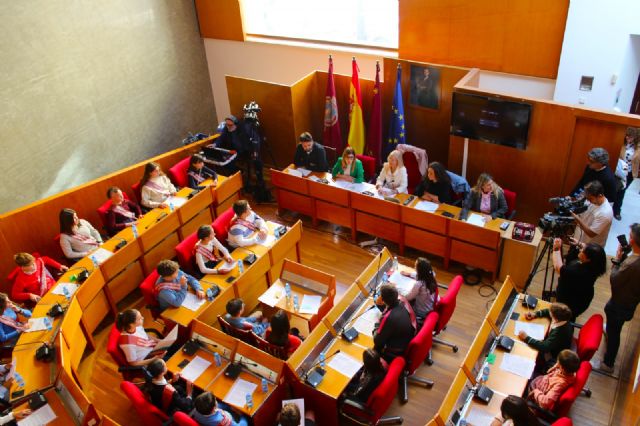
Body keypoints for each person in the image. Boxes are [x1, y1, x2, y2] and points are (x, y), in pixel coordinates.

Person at [600, 223, 640, 373]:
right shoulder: (635, 259)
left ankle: (608, 363)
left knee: (614, 332)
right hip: (630, 301)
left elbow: (615, 279)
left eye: (630, 236)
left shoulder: (632, 264)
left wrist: (617, 261)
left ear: (632, 241)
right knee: (614, 328)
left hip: (620, 304)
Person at [552, 238, 606, 321]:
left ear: (588, 259)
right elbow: (588, 249)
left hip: (569, 304)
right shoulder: (594, 266)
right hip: (579, 298)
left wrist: (556, 248)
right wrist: (579, 243)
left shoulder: (579, 272)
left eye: (582, 250)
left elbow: (558, 267)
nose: (580, 250)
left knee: (563, 320)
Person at [517, 303, 574, 372]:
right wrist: (535, 314)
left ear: (555, 319)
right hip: (552, 344)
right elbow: (548, 311)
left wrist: (526, 338)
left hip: (553, 355)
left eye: (552, 314)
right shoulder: (562, 318)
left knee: (524, 351)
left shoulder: (559, 332)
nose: (550, 313)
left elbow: (545, 347)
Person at [373, 284, 415, 362]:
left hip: (395, 351)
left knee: (374, 348)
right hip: (406, 340)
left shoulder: (388, 318)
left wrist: (377, 323)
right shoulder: (403, 301)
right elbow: (390, 309)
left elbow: (377, 341)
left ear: (382, 299)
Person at [570, 180, 613, 248]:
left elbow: (591, 233)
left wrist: (577, 219)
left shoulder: (606, 213)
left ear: (600, 195)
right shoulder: (590, 200)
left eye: (590, 198)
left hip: (590, 249)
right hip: (578, 241)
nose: (588, 201)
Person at [400, 257, 438, 327]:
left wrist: (399, 293)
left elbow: (408, 298)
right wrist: (409, 274)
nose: (414, 268)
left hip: (421, 312)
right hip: (430, 305)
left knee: (400, 304)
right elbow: (421, 275)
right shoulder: (431, 275)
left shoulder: (419, 284)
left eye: (415, 267)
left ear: (420, 271)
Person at [614, 127, 640, 219]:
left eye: (630, 137)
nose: (627, 138)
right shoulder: (622, 144)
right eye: (627, 136)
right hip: (618, 171)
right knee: (614, 188)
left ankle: (617, 211)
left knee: (622, 191)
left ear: (635, 137)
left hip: (630, 173)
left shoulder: (638, 148)